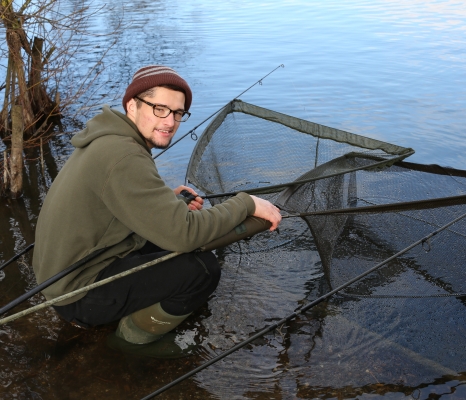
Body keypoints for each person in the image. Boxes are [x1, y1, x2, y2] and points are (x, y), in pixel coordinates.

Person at [32, 65, 281, 358]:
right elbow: (185, 234)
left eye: (178, 113)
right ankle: (129, 342)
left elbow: (122, 200)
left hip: (63, 275)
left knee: (174, 244)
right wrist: (246, 204)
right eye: (160, 109)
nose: (170, 121)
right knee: (201, 270)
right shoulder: (124, 155)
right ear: (132, 105)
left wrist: (168, 199)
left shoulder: (108, 139)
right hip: (77, 295)